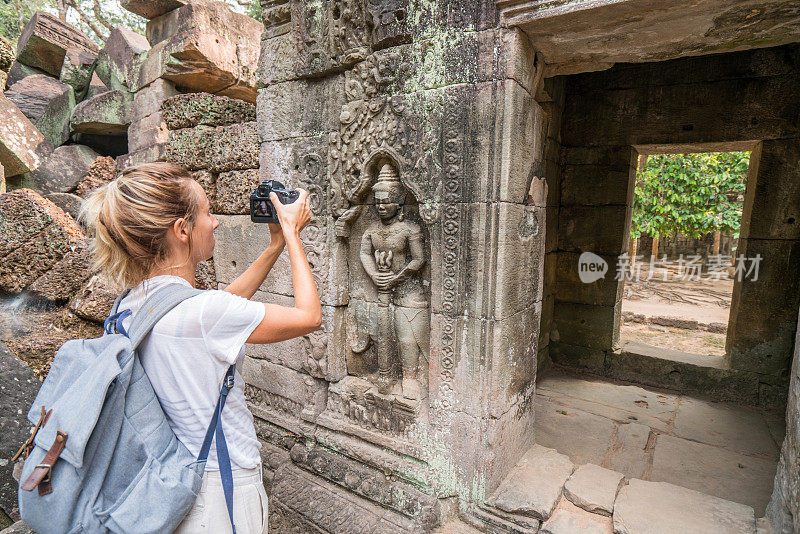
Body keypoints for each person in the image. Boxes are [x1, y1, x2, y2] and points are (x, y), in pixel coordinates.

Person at [79, 162, 321, 533]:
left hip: (169, 478)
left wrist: (273, 247)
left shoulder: (131, 304)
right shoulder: (205, 315)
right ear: (182, 230)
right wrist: (291, 233)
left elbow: (222, 305)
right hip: (222, 489)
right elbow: (308, 317)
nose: (216, 222)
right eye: (207, 213)